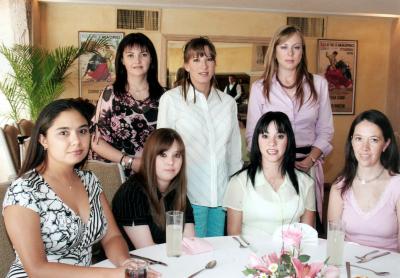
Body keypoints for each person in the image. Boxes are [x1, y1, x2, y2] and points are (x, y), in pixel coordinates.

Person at [2, 99, 140, 278]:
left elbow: (112, 237)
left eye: (82, 131)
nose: (76, 141)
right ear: (43, 140)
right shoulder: (24, 191)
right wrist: (112, 274)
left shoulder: (89, 180)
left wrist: (125, 262)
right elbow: (37, 269)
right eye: (63, 133)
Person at [245, 25, 334, 225]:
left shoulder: (319, 84)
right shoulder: (260, 88)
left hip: (308, 163)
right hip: (272, 167)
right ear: (274, 51)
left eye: (296, 47)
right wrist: (274, 164)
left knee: (307, 227)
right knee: (277, 222)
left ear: (303, 52)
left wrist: (311, 158)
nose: (291, 53)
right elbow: (252, 134)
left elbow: (326, 129)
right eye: (284, 47)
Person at [157, 37, 243, 237]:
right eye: (196, 60)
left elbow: (234, 153)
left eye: (209, 59)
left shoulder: (228, 103)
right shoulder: (171, 100)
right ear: (186, 65)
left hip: (221, 195)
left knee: (218, 255)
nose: (204, 66)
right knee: (188, 255)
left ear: (215, 64)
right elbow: (162, 150)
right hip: (187, 193)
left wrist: (235, 192)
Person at [224, 111, 315, 237]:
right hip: (249, 254)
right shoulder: (239, 183)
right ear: (257, 140)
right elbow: (234, 237)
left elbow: (307, 237)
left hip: (290, 255)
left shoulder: (306, 183)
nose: (272, 143)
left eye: (280, 136)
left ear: (288, 140)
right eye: (265, 136)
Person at [91, 32, 164, 177]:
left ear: (151, 59)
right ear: (122, 60)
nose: (137, 60)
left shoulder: (165, 96)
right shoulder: (109, 94)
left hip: (154, 175)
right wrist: (130, 161)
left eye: (143, 54)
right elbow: (96, 141)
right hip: (116, 175)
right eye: (130, 55)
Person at [328, 109, 400, 251]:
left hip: (389, 268)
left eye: (374, 140)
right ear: (352, 142)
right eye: (359, 138)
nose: (364, 148)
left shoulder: (397, 185)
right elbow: (334, 244)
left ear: (385, 144)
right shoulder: (339, 186)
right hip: (349, 266)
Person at [112, 128, 195, 250]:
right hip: (135, 266)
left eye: (176, 155)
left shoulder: (177, 192)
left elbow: (190, 242)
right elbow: (148, 251)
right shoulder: (131, 193)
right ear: (150, 157)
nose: (171, 162)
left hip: (170, 263)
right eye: (163, 155)